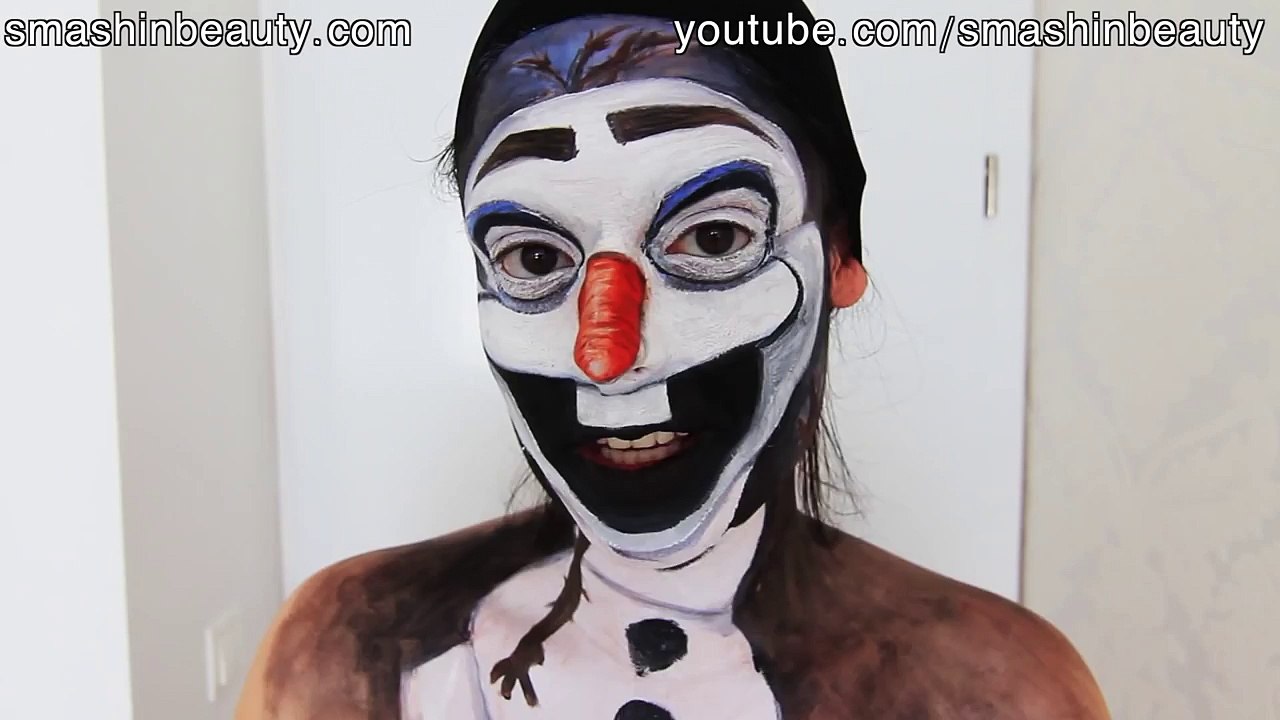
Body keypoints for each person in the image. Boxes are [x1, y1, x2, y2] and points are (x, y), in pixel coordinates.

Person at [238, 1, 1110, 717]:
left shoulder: (999, 691)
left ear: (841, 254)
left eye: (715, 237)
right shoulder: (345, 655)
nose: (606, 356)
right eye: (533, 258)